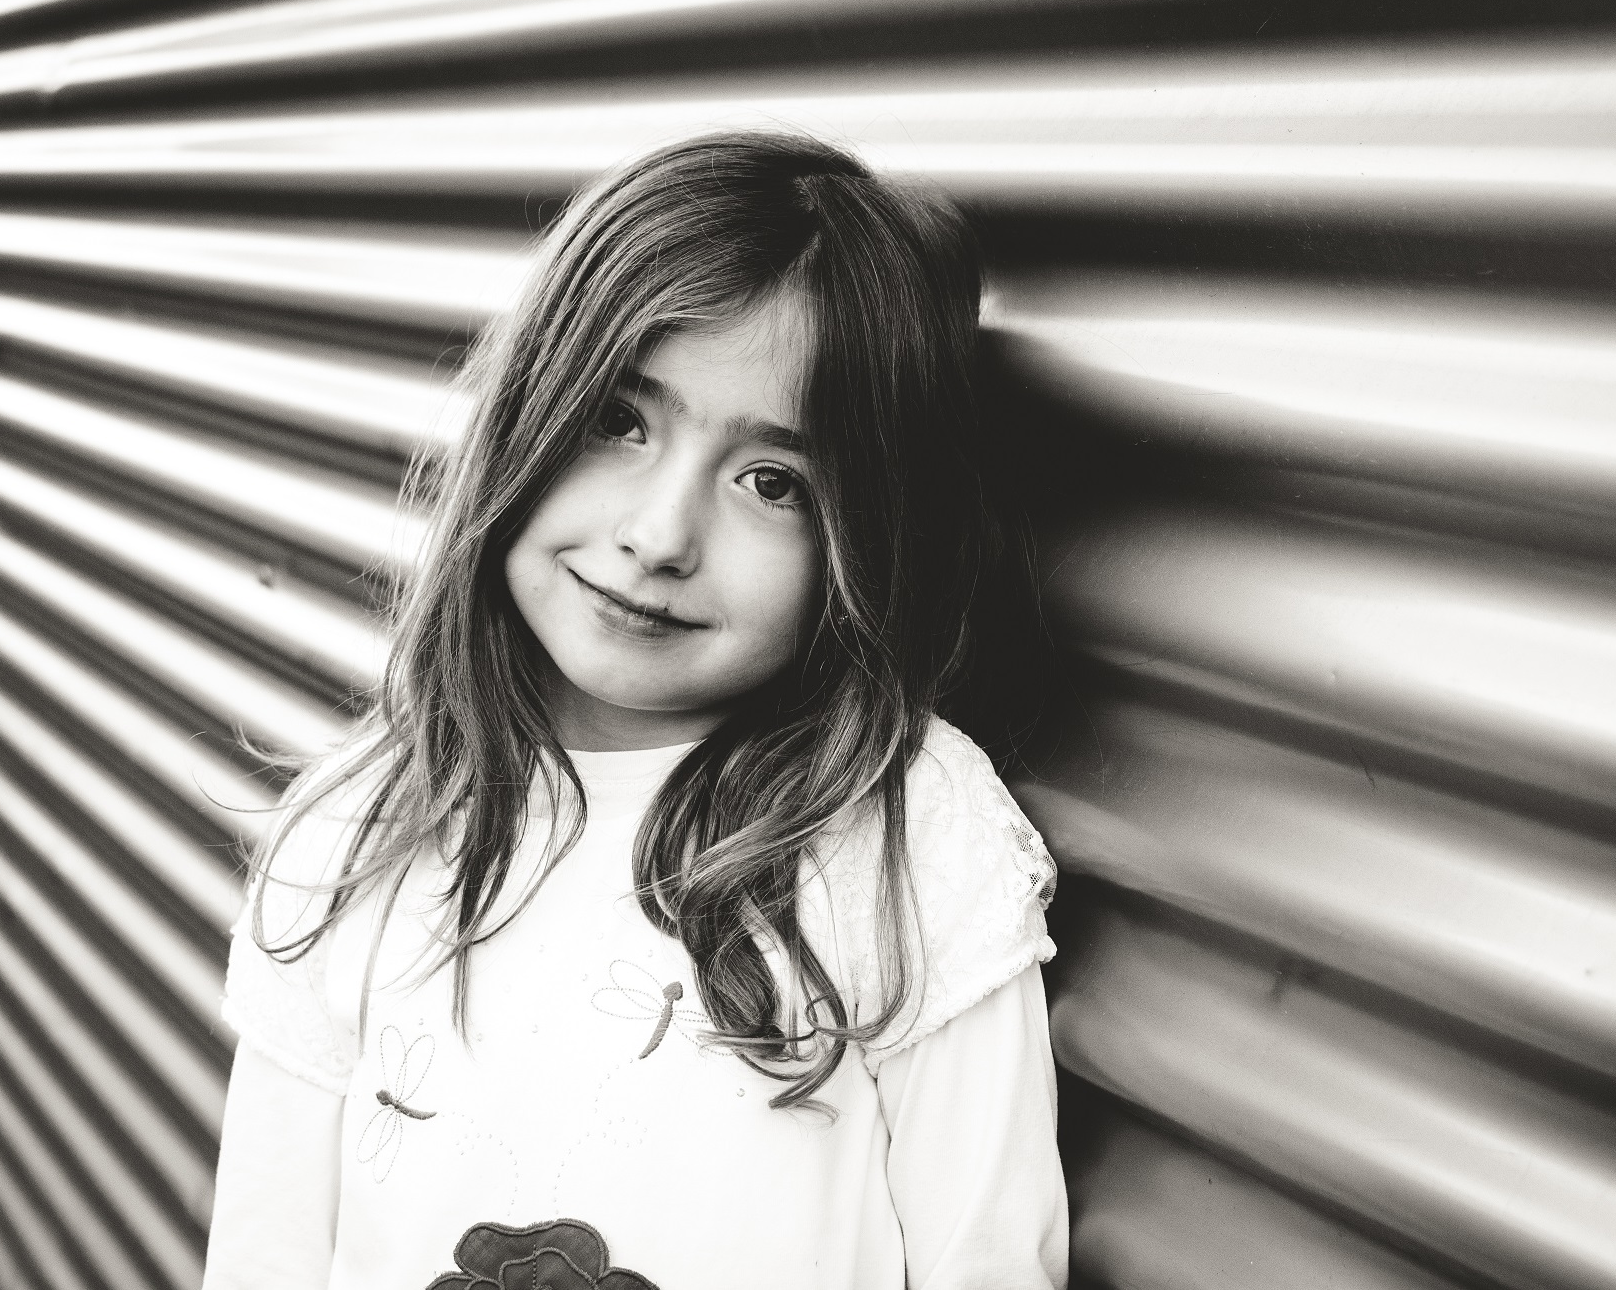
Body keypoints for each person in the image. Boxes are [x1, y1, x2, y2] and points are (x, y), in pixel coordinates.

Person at [201, 131, 1068, 1290]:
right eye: (619, 419)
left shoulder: (906, 834)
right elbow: (264, 1260)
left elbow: (988, 1263)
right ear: (525, 413)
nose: (659, 536)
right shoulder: (352, 839)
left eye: (773, 482)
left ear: (863, 540)